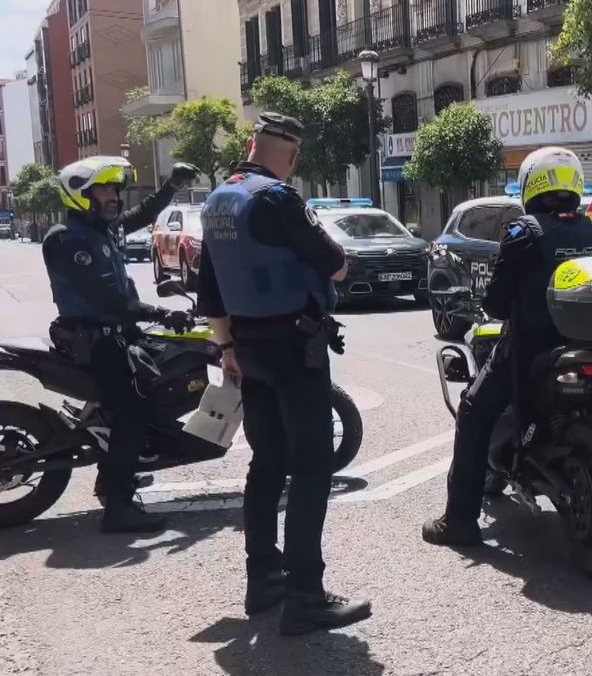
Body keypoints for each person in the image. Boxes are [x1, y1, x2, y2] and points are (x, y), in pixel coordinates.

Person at [197, 112, 370, 635]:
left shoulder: (218, 200)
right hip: (295, 349)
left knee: (267, 465)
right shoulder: (277, 199)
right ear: (291, 156)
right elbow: (334, 263)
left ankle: (263, 580)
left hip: (247, 349)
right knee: (313, 467)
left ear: (252, 144)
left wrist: (227, 347)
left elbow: (210, 289)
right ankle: (305, 597)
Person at [423, 146, 592, 547]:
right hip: (588, 347)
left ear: (532, 183)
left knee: (472, 411)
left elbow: (494, 303)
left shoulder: (525, 231)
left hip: (532, 350)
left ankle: (459, 522)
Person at [43, 156, 196, 534]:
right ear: (81, 194)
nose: (114, 196)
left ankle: (118, 471)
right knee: (132, 412)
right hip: (95, 343)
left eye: (115, 189)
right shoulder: (67, 239)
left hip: (118, 336)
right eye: (105, 189)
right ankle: (118, 505)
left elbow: (142, 214)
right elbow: (109, 302)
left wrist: (171, 187)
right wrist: (161, 314)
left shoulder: (102, 230)